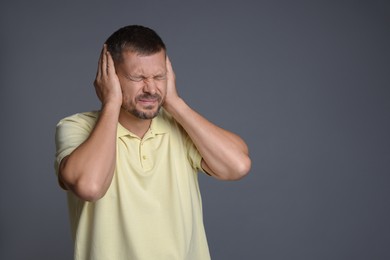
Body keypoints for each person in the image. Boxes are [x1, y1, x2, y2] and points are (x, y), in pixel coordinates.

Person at [55, 25, 251, 260]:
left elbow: (237, 166)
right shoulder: (76, 127)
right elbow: (90, 187)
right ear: (110, 78)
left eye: (159, 76)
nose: (150, 88)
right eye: (137, 77)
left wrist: (175, 102)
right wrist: (111, 103)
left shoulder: (180, 126)